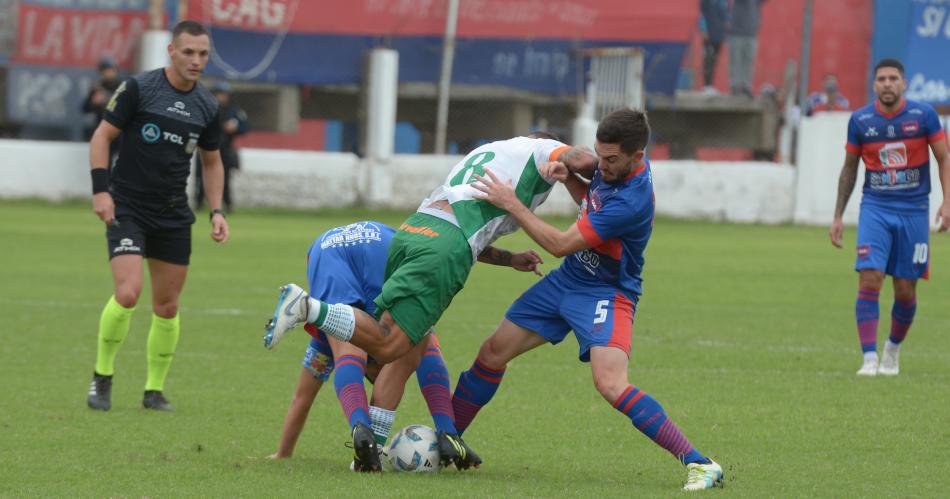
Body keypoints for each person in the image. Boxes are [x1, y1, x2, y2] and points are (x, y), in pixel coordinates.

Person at [264, 133, 598, 468]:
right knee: (390, 346)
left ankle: (369, 453)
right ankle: (306, 307)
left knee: (408, 344)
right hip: (418, 246)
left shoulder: (492, 149)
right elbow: (584, 160)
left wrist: (509, 259)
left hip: (413, 231)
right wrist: (609, 173)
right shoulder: (541, 149)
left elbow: (462, 226)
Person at [452, 108, 724, 492]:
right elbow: (593, 202)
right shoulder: (612, 169)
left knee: (610, 384)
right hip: (568, 280)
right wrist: (569, 179)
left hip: (607, 293)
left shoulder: (632, 201)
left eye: (610, 160)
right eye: (599, 155)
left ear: (637, 156)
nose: (601, 166)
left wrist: (512, 203)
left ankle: (700, 463)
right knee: (492, 352)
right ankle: (448, 441)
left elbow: (560, 244)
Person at [85, 20, 229, 412]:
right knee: (128, 293)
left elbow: (212, 162)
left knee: (167, 307)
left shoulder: (207, 106)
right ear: (172, 51)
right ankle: (102, 376)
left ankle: (154, 390)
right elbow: (101, 137)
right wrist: (101, 191)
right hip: (128, 207)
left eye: (203, 54)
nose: (196, 60)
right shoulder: (139, 88)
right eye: (189, 52)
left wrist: (217, 210)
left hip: (173, 214)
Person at [267, 221, 467, 472]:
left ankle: (362, 431)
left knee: (351, 343)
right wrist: (447, 428)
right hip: (381, 244)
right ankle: (307, 307)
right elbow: (431, 359)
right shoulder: (330, 341)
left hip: (331, 248)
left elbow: (302, 397)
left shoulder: (325, 341)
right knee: (405, 344)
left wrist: (283, 453)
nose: (380, 375)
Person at [829, 58, 950, 376]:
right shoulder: (860, 120)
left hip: (914, 210)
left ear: (903, 83)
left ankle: (892, 350)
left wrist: (947, 202)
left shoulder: (924, 116)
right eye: (881, 79)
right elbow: (849, 169)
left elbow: (944, 158)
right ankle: (869, 358)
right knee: (870, 276)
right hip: (876, 208)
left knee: (905, 288)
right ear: (874, 85)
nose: (887, 84)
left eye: (893, 78)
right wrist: (838, 215)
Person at [195, 81, 248, 211]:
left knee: (224, 178)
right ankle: (199, 202)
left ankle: (226, 203)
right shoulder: (206, 109)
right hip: (205, 148)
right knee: (201, 176)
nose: (222, 97)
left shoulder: (233, 111)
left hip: (224, 149)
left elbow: (244, 127)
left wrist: (234, 128)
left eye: (225, 94)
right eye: (220, 94)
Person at [727, 0, 767, 97]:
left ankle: (746, 86)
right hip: (736, 33)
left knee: (749, 61)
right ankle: (735, 86)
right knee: (736, 61)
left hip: (751, 34)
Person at [82, 57, 122, 138]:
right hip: (101, 128)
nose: (109, 73)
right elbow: (85, 109)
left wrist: (108, 99)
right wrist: (93, 103)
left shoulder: (123, 86)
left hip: (119, 129)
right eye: (106, 71)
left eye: (111, 70)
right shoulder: (97, 87)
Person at [699, 0, 728, 94]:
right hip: (708, 35)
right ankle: (707, 86)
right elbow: (701, 14)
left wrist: (725, 31)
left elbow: (725, 16)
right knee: (708, 60)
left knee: (714, 60)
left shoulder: (723, 2)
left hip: (719, 35)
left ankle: (710, 86)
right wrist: (703, 29)